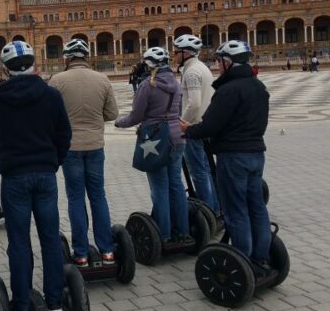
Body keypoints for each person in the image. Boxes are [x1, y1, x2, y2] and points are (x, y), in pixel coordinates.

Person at [0, 40, 72, 311]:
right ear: (34, 63)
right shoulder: (51, 94)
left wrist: (5, 154)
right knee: (50, 238)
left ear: (5, 68)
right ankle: (55, 301)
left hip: (14, 177)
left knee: (19, 241)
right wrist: (52, 161)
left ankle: (21, 307)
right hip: (45, 175)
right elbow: (64, 136)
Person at [180, 40, 272, 275]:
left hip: (233, 157)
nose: (218, 67)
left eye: (219, 62)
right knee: (257, 208)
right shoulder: (258, 87)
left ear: (228, 62)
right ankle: (261, 257)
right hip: (256, 154)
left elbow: (210, 125)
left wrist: (187, 130)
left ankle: (242, 258)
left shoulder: (229, 90)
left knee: (236, 209)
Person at [48, 38, 118, 267]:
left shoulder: (57, 81)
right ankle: (107, 250)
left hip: (71, 147)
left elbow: (50, 116)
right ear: (86, 57)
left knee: (76, 198)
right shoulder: (102, 79)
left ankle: (80, 253)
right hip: (95, 145)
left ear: (67, 58)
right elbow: (112, 114)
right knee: (98, 196)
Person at [115, 48, 192, 247]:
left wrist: (119, 122)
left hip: (156, 139)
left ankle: (164, 234)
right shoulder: (175, 83)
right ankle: (183, 231)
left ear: (149, 64)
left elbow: (137, 116)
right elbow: (179, 110)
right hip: (177, 136)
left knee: (159, 188)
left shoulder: (146, 85)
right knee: (175, 184)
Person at [172, 34, 219, 214]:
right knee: (207, 170)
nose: (174, 55)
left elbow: (194, 103)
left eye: (176, 52)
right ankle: (215, 208)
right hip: (205, 124)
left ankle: (207, 213)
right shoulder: (202, 68)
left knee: (199, 173)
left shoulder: (191, 72)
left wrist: (182, 124)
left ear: (185, 53)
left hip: (193, 128)